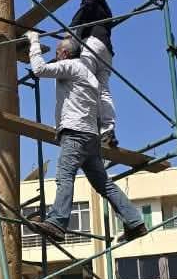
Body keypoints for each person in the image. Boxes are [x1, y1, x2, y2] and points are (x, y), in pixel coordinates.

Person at [26, 31, 146, 243]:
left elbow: (39, 69)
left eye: (57, 53)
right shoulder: (90, 75)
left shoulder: (71, 66)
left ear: (64, 53)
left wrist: (34, 41)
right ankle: (135, 222)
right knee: (104, 185)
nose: (56, 56)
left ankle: (57, 223)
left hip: (75, 134)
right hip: (90, 137)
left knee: (65, 177)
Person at [70, 0, 116, 145]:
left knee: (83, 82)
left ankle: (82, 123)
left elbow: (87, 6)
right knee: (103, 90)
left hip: (92, 43)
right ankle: (107, 129)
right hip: (107, 51)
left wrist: (73, 25)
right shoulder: (106, 9)